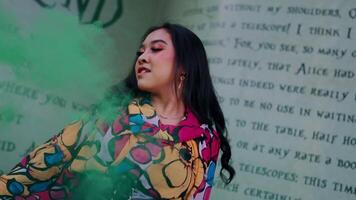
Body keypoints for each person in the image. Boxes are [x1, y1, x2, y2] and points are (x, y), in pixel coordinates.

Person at [0, 22, 235, 199]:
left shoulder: (205, 141)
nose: (143, 57)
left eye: (156, 49)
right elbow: (37, 168)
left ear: (184, 65)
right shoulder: (111, 115)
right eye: (140, 52)